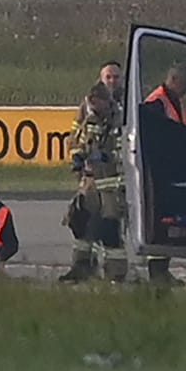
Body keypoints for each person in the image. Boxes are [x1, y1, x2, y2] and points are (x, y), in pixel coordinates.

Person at [63, 82, 127, 282]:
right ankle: (82, 268)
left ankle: (116, 273)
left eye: (97, 104)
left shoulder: (120, 120)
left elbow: (125, 149)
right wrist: (78, 156)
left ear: (106, 102)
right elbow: (77, 141)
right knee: (80, 223)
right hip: (90, 183)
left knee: (110, 229)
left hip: (111, 184)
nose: (94, 109)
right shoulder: (90, 119)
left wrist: (107, 156)